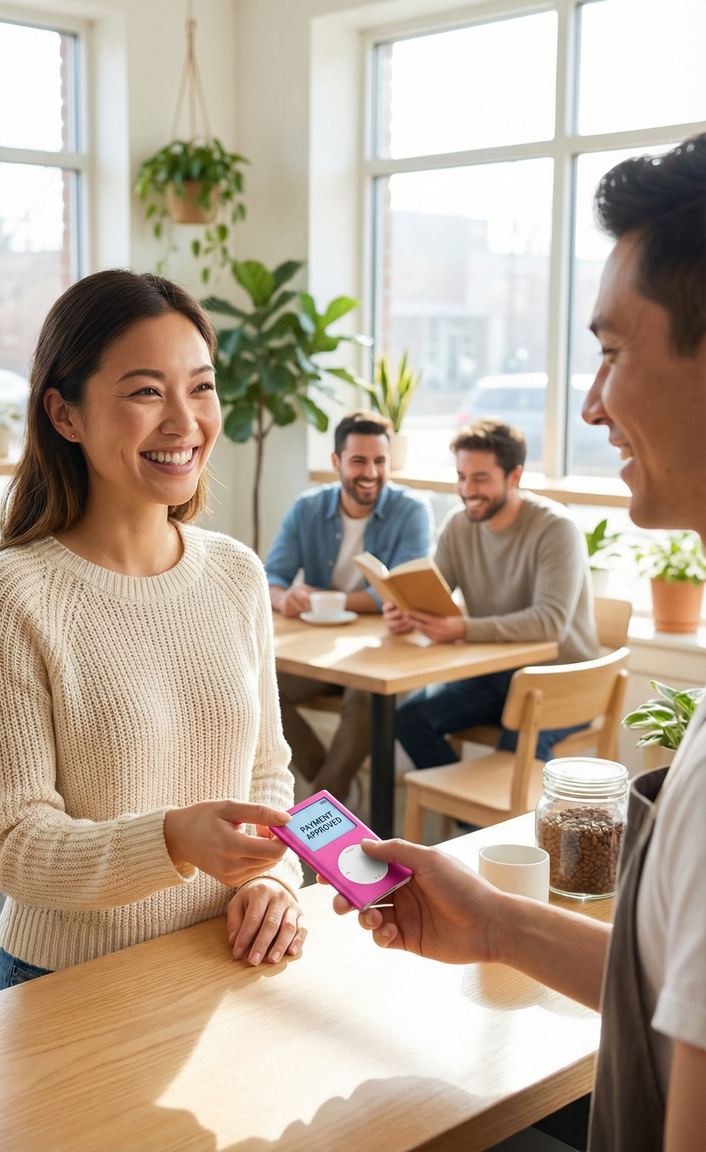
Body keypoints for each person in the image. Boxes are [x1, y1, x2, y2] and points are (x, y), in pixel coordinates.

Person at [334, 135, 706, 1151]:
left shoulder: (546, 530)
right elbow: (671, 992)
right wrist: (497, 925)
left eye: (614, 353)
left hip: (539, 692)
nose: (593, 402)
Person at [0, 270, 305, 991]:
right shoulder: (9, 594)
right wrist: (173, 839)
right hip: (68, 979)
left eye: (201, 386)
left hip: (225, 957)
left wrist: (276, 882)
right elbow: (16, 845)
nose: (184, 421)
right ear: (65, 414)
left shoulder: (237, 574)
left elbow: (266, 775)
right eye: (147, 391)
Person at [389, 417, 598, 769]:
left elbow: (549, 624)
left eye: (480, 478)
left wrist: (464, 629)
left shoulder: (555, 528)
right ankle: (471, 823)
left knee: (516, 748)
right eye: (461, 477)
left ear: (514, 477)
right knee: (410, 720)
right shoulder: (459, 524)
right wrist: (405, 608)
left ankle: (507, 822)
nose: (467, 489)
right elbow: (435, 592)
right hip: (495, 674)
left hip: (560, 680)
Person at [265, 409, 430, 800]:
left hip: (388, 651)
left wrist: (326, 600)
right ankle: (331, 788)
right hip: (323, 650)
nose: (370, 472)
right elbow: (271, 575)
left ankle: (321, 802)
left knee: (369, 698)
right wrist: (284, 597)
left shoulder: (411, 511)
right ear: (337, 462)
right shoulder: (307, 508)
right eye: (358, 461)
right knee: (262, 685)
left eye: (379, 461)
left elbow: (402, 592)